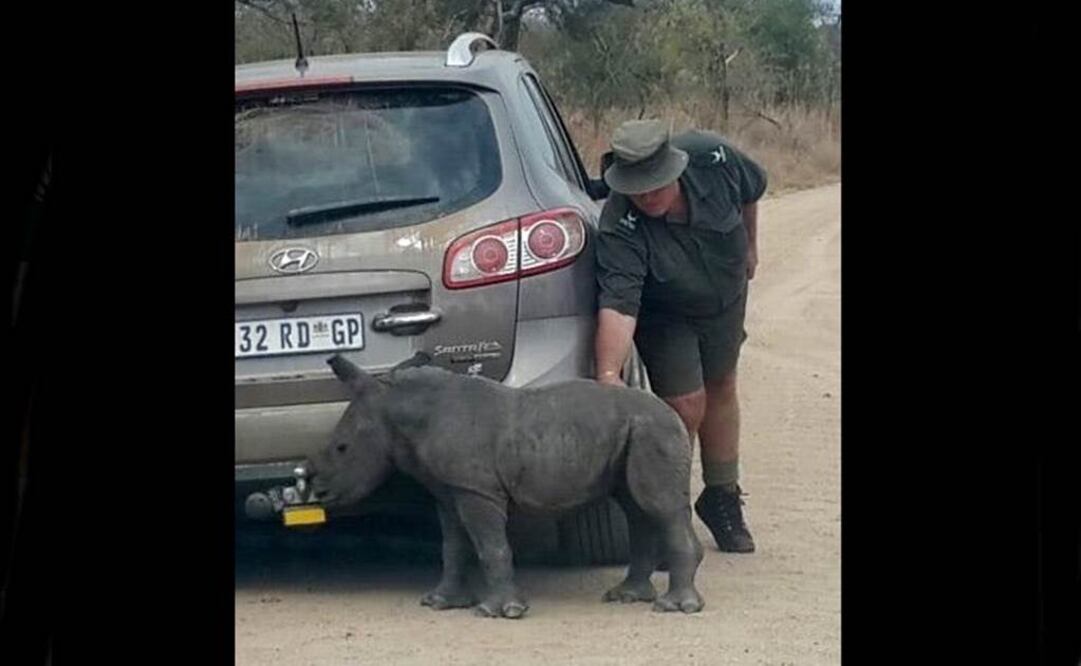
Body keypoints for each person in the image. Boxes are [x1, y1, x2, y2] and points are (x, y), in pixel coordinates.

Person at [593, 118, 767, 553]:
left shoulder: (714, 157)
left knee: (722, 384)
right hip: (665, 312)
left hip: (724, 296)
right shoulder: (620, 221)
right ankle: (669, 513)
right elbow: (618, 304)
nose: (646, 196)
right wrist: (609, 376)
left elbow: (750, 193)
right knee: (685, 405)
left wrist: (750, 244)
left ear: (673, 168)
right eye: (636, 187)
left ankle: (722, 497)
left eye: (655, 185)